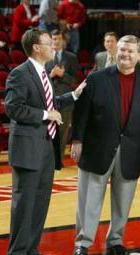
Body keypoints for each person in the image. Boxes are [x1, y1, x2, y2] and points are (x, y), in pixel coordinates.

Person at [71, 35, 140, 255]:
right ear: (115, 51)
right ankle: (83, 243)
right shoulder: (96, 78)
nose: (125, 55)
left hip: (130, 150)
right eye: (122, 50)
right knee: (89, 200)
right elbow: (81, 113)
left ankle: (116, 240)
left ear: (139, 55)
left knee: (123, 200)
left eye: (130, 51)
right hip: (96, 148)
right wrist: (77, 140)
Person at [4, 28, 85, 255]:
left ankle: (31, 249)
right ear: (36, 48)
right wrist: (44, 114)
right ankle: (16, 253)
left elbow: (51, 103)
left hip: (47, 147)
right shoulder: (19, 74)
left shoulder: (43, 73)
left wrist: (74, 94)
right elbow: (13, 108)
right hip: (27, 148)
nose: (54, 47)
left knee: (40, 202)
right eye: (49, 43)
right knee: (24, 202)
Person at [45, 29, 78, 166]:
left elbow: (74, 79)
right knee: (47, 129)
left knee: (63, 131)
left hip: (65, 99)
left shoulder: (71, 57)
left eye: (58, 39)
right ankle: (47, 158)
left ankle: (58, 160)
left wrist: (62, 75)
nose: (56, 42)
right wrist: (52, 75)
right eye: (54, 39)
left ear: (63, 41)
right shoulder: (45, 56)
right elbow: (40, 78)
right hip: (48, 98)